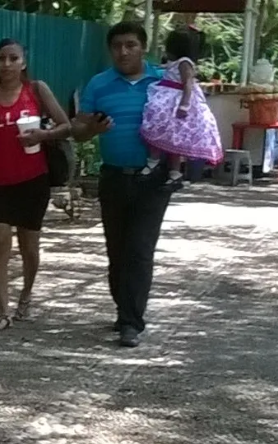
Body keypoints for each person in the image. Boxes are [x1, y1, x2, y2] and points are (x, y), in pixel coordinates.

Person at [73, 21, 172, 348]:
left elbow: (183, 121)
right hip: (114, 177)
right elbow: (80, 129)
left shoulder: (162, 81)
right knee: (117, 251)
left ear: (144, 47)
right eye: (117, 46)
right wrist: (93, 130)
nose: (123, 51)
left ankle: (132, 321)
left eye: (131, 45)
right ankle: (123, 309)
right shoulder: (99, 85)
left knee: (140, 251)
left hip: (152, 179)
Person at [0, 37, 72, 332]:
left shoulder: (36, 90)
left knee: (29, 247)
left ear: (23, 62)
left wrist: (41, 136)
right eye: (1, 58)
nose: (6, 64)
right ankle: (2, 310)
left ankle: (25, 295)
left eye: (13, 58)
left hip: (33, 181)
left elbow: (66, 126)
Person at [140, 28, 224, 189]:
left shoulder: (185, 63)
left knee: (165, 131)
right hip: (167, 96)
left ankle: (161, 165)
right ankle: (170, 171)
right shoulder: (176, 62)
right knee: (170, 136)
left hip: (174, 100)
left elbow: (188, 83)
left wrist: (184, 104)